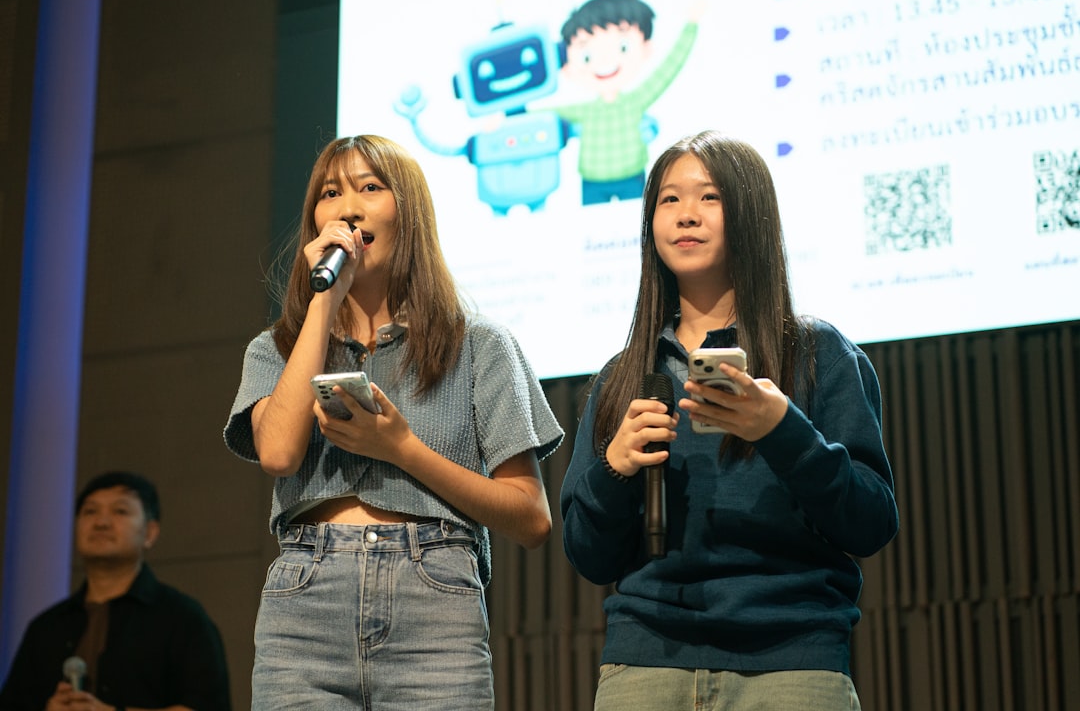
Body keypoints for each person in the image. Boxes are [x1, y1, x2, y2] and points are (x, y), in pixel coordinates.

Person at [559, 130, 899, 710]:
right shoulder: (626, 375)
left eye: (709, 197)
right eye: (669, 199)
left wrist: (782, 431)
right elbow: (590, 558)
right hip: (646, 664)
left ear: (750, 215)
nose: (686, 214)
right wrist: (613, 470)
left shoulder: (818, 355)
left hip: (791, 663)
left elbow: (870, 524)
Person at [223, 134, 563, 709]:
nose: (348, 209)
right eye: (330, 194)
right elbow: (278, 454)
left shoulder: (479, 345)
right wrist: (324, 300)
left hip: (434, 598)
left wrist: (401, 447)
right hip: (305, 601)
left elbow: (531, 518)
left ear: (409, 213)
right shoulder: (275, 349)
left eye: (370, 188)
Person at [0, 471, 231, 711]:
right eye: (90, 511)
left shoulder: (183, 618)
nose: (101, 522)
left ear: (150, 532)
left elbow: (209, 706)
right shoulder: (46, 627)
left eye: (120, 511)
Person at [554, 0, 702, 204]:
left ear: (646, 47)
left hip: (633, 178)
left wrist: (691, 25)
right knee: (593, 224)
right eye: (587, 56)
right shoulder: (583, 111)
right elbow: (543, 115)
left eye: (623, 47)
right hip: (593, 183)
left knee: (639, 222)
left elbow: (669, 68)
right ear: (566, 66)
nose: (605, 61)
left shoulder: (636, 100)